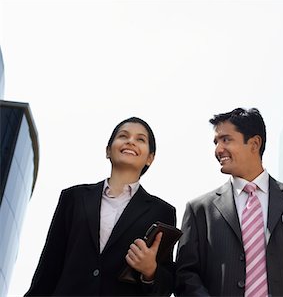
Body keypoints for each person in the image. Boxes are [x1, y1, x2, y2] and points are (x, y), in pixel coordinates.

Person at [175, 108, 283, 296]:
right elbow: (185, 275)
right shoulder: (199, 210)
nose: (218, 150)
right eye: (216, 142)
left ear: (254, 143)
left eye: (226, 139)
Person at [26, 117, 176, 296]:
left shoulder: (162, 212)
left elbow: (166, 285)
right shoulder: (73, 198)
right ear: (108, 150)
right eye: (123, 136)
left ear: (150, 158)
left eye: (140, 139)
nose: (130, 141)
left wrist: (150, 271)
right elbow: (49, 265)